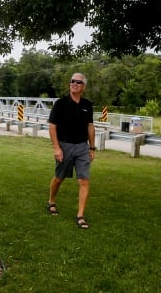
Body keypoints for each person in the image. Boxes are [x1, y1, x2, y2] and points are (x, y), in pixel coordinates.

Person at [46, 72, 96, 229]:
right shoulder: (60, 104)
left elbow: (90, 126)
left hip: (82, 147)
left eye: (78, 82)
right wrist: (56, 148)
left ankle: (80, 215)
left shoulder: (87, 105)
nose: (74, 83)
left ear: (83, 86)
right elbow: (52, 127)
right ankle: (51, 201)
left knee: (84, 180)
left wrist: (92, 147)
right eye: (72, 81)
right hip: (64, 146)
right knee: (59, 178)